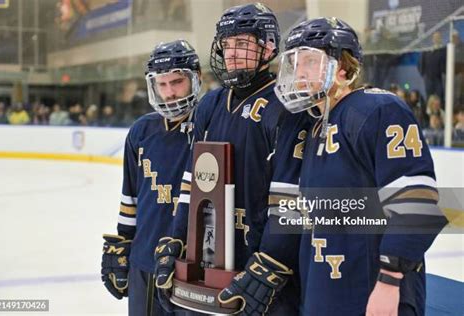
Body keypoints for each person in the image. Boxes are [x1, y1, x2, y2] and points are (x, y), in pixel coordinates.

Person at [275, 17, 448, 315]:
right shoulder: (316, 125)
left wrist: (389, 281)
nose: (298, 73)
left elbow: (417, 202)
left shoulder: (378, 109)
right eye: (295, 63)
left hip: (370, 293)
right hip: (325, 292)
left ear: (343, 67)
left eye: (309, 62)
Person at [154, 3, 312, 315]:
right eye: (227, 45)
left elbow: (290, 199)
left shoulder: (286, 107)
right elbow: (192, 182)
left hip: (263, 272)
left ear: (268, 48)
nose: (232, 53)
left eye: (242, 43)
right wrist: (176, 238)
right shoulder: (210, 104)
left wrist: (271, 264)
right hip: (212, 263)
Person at [101, 39, 202, 316]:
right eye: (162, 84)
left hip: (190, 265)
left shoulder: (210, 127)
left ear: (197, 78)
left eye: (177, 82)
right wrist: (123, 244)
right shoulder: (141, 131)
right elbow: (130, 197)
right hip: (143, 262)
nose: (169, 93)